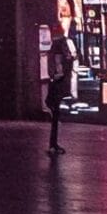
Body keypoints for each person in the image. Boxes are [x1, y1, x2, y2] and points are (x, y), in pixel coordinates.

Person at [45, 20, 76, 152]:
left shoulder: (55, 46)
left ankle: (53, 143)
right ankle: (53, 144)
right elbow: (62, 62)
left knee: (56, 116)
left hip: (56, 81)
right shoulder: (60, 45)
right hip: (59, 82)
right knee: (56, 115)